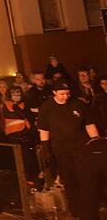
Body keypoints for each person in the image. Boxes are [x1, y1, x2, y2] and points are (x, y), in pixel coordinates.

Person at [38, 79, 100, 219]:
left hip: (81, 148)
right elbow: (44, 130)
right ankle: (76, 211)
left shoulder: (78, 104)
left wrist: (97, 143)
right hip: (61, 149)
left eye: (67, 93)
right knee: (69, 181)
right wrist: (46, 149)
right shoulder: (46, 108)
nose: (65, 97)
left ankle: (89, 212)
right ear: (54, 92)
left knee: (85, 180)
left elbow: (89, 125)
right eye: (62, 94)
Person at [2, 86, 38, 182]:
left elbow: (28, 116)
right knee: (19, 159)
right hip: (14, 136)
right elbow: (21, 115)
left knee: (29, 158)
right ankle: (22, 178)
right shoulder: (7, 105)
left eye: (18, 93)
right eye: (14, 93)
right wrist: (15, 106)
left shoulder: (25, 104)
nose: (17, 95)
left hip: (27, 135)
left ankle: (31, 178)